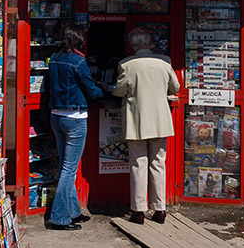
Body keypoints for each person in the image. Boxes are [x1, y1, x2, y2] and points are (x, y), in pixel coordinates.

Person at [111, 28, 180, 225]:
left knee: (138, 164)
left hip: (137, 121)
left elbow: (118, 91)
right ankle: (160, 209)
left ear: (133, 46)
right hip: (159, 120)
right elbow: (175, 87)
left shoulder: (126, 65)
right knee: (158, 163)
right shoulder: (164, 62)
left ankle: (139, 210)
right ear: (149, 43)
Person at [47, 24, 104, 231]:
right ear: (80, 42)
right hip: (75, 118)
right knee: (70, 169)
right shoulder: (79, 62)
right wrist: (104, 89)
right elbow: (91, 90)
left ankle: (73, 211)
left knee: (65, 166)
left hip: (57, 116)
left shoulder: (54, 58)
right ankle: (60, 218)